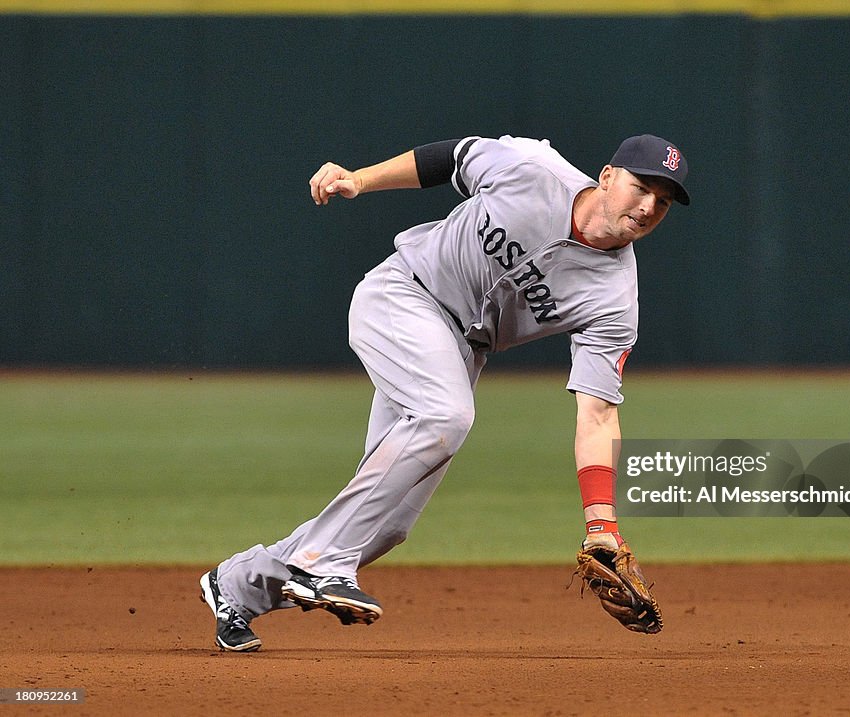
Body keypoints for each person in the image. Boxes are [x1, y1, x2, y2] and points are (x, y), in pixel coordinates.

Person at [199, 133, 690, 651]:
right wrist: (360, 179)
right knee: (445, 416)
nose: (649, 206)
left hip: (459, 352)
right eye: (642, 187)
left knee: (387, 524)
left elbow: (597, 415)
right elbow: (449, 157)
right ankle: (321, 561)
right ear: (608, 177)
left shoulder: (614, 300)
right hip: (404, 294)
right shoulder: (533, 169)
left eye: (663, 200)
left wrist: (602, 523)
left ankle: (239, 585)